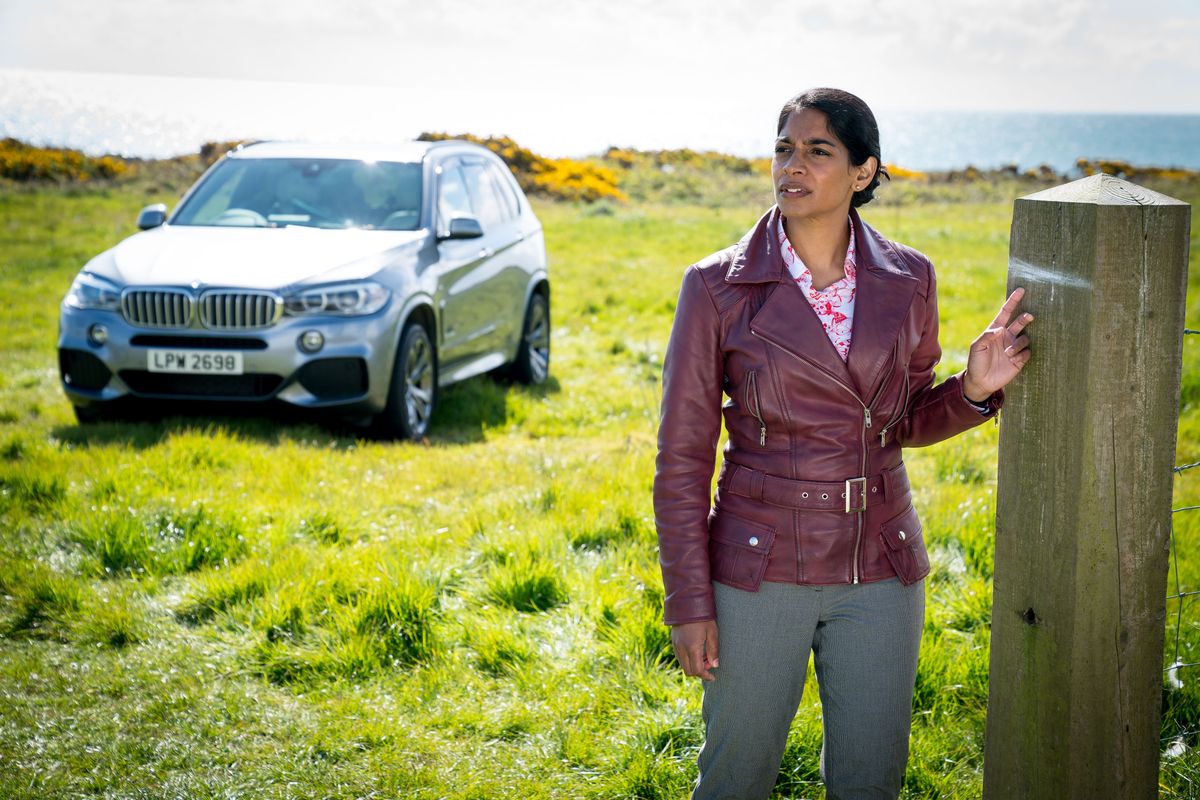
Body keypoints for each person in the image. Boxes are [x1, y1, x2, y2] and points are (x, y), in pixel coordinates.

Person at [653, 87, 1034, 800]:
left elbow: (906, 420)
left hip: (882, 567)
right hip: (758, 567)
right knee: (735, 777)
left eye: (817, 152)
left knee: (871, 780)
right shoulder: (716, 287)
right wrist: (689, 601)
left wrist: (974, 390)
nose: (791, 167)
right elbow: (681, 461)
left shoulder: (909, 277)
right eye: (783, 149)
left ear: (864, 172)